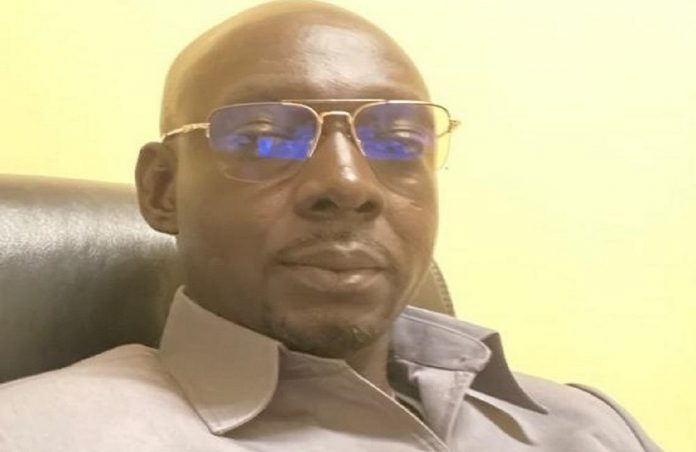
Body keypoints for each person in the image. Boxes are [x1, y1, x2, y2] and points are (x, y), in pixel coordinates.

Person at [0, 1, 661, 451]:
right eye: (264, 139)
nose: (348, 184)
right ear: (163, 189)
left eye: (397, 140)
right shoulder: (36, 433)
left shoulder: (589, 426)